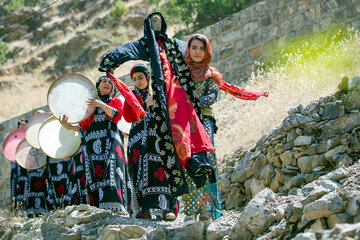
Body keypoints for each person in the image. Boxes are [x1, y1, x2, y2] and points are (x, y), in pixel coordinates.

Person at [98, 12, 215, 198]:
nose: (156, 26)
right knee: (171, 136)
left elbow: (195, 52)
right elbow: (126, 50)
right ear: (147, 27)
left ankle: (199, 163)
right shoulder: (146, 44)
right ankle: (187, 174)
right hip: (162, 95)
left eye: (159, 23)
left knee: (191, 126)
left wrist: (205, 64)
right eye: (152, 23)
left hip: (181, 90)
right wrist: (110, 60)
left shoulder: (174, 43)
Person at [182, 33, 268, 224]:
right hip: (185, 123)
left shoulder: (211, 74)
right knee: (187, 162)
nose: (197, 52)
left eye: (201, 48)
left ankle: (207, 209)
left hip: (204, 121)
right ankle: (189, 210)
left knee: (206, 162)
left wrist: (191, 103)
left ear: (206, 52)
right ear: (188, 50)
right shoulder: (180, 73)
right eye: (193, 48)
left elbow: (212, 97)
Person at [60, 75, 133, 213]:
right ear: (97, 87)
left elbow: (117, 115)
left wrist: (101, 105)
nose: (107, 84)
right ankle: (97, 208)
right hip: (92, 149)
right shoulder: (89, 108)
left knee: (113, 171)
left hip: (111, 144)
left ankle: (116, 206)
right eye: (103, 82)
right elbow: (83, 127)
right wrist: (67, 126)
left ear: (112, 88)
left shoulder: (115, 102)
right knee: (93, 174)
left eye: (109, 82)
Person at [123, 63, 178, 220]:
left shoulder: (159, 91)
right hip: (138, 138)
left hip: (158, 135)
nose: (138, 81)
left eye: (141, 77)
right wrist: (143, 105)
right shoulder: (131, 96)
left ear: (148, 77)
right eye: (134, 79)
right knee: (139, 170)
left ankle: (166, 208)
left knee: (162, 167)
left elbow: (170, 108)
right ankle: (143, 209)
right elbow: (126, 117)